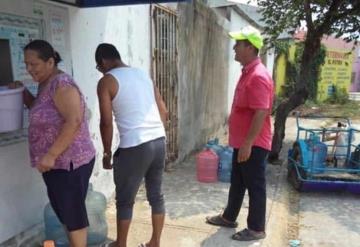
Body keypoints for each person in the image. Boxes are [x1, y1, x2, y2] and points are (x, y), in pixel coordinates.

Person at [9, 40, 96, 247]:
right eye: (26, 64)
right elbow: (40, 110)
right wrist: (22, 92)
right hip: (56, 164)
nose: (29, 69)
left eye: (34, 64)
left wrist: (50, 155)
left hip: (69, 162)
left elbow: (74, 120)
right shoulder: (46, 83)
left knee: (73, 214)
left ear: (50, 62)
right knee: (64, 211)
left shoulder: (61, 84)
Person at [205, 26, 274, 241]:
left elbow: (261, 111)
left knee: (255, 185)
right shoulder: (248, 72)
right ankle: (228, 217)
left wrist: (248, 144)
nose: (234, 48)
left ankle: (256, 228)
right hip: (242, 142)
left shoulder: (258, 76)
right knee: (238, 181)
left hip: (253, 144)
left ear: (251, 47)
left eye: (238, 44)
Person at [95, 43, 167, 247]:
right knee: (156, 195)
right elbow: (163, 110)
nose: (100, 72)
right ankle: (155, 242)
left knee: (125, 200)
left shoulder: (107, 81)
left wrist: (107, 153)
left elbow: (106, 122)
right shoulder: (142, 75)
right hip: (158, 140)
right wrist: (154, 132)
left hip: (135, 146)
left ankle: (121, 244)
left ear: (103, 62)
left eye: (99, 68)